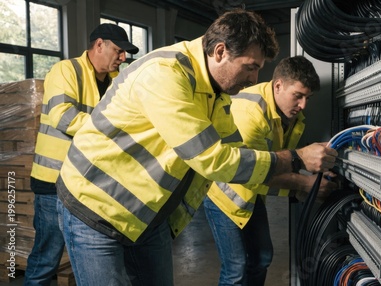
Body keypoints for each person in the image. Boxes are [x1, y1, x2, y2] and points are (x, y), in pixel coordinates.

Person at [55, 9, 337, 285]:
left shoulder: (216, 94)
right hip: (94, 209)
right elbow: (213, 160)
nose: (254, 79)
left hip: (145, 217)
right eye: (250, 67)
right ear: (220, 52)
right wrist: (297, 159)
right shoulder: (166, 75)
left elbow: (240, 157)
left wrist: (301, 176)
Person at [203, 55, 338, 286]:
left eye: (308, 98)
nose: (303, 105)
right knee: (236, 268)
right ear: (278, 86)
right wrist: (303, 184)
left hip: (251, 195)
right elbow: (253, 171)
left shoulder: (292, 116)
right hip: (224, 194)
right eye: (298, 96)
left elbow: (283, 159)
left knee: (262, 258)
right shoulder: (251, 113)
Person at [25, 23, 138, 286]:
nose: (123, 58)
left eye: (125, 54)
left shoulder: (115, 82)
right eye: (119, 51)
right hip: (53, 181)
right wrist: (111, 130)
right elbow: (62, 116)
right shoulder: (66, 70)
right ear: (99, 44)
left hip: (91, 184)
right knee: (47, 259)